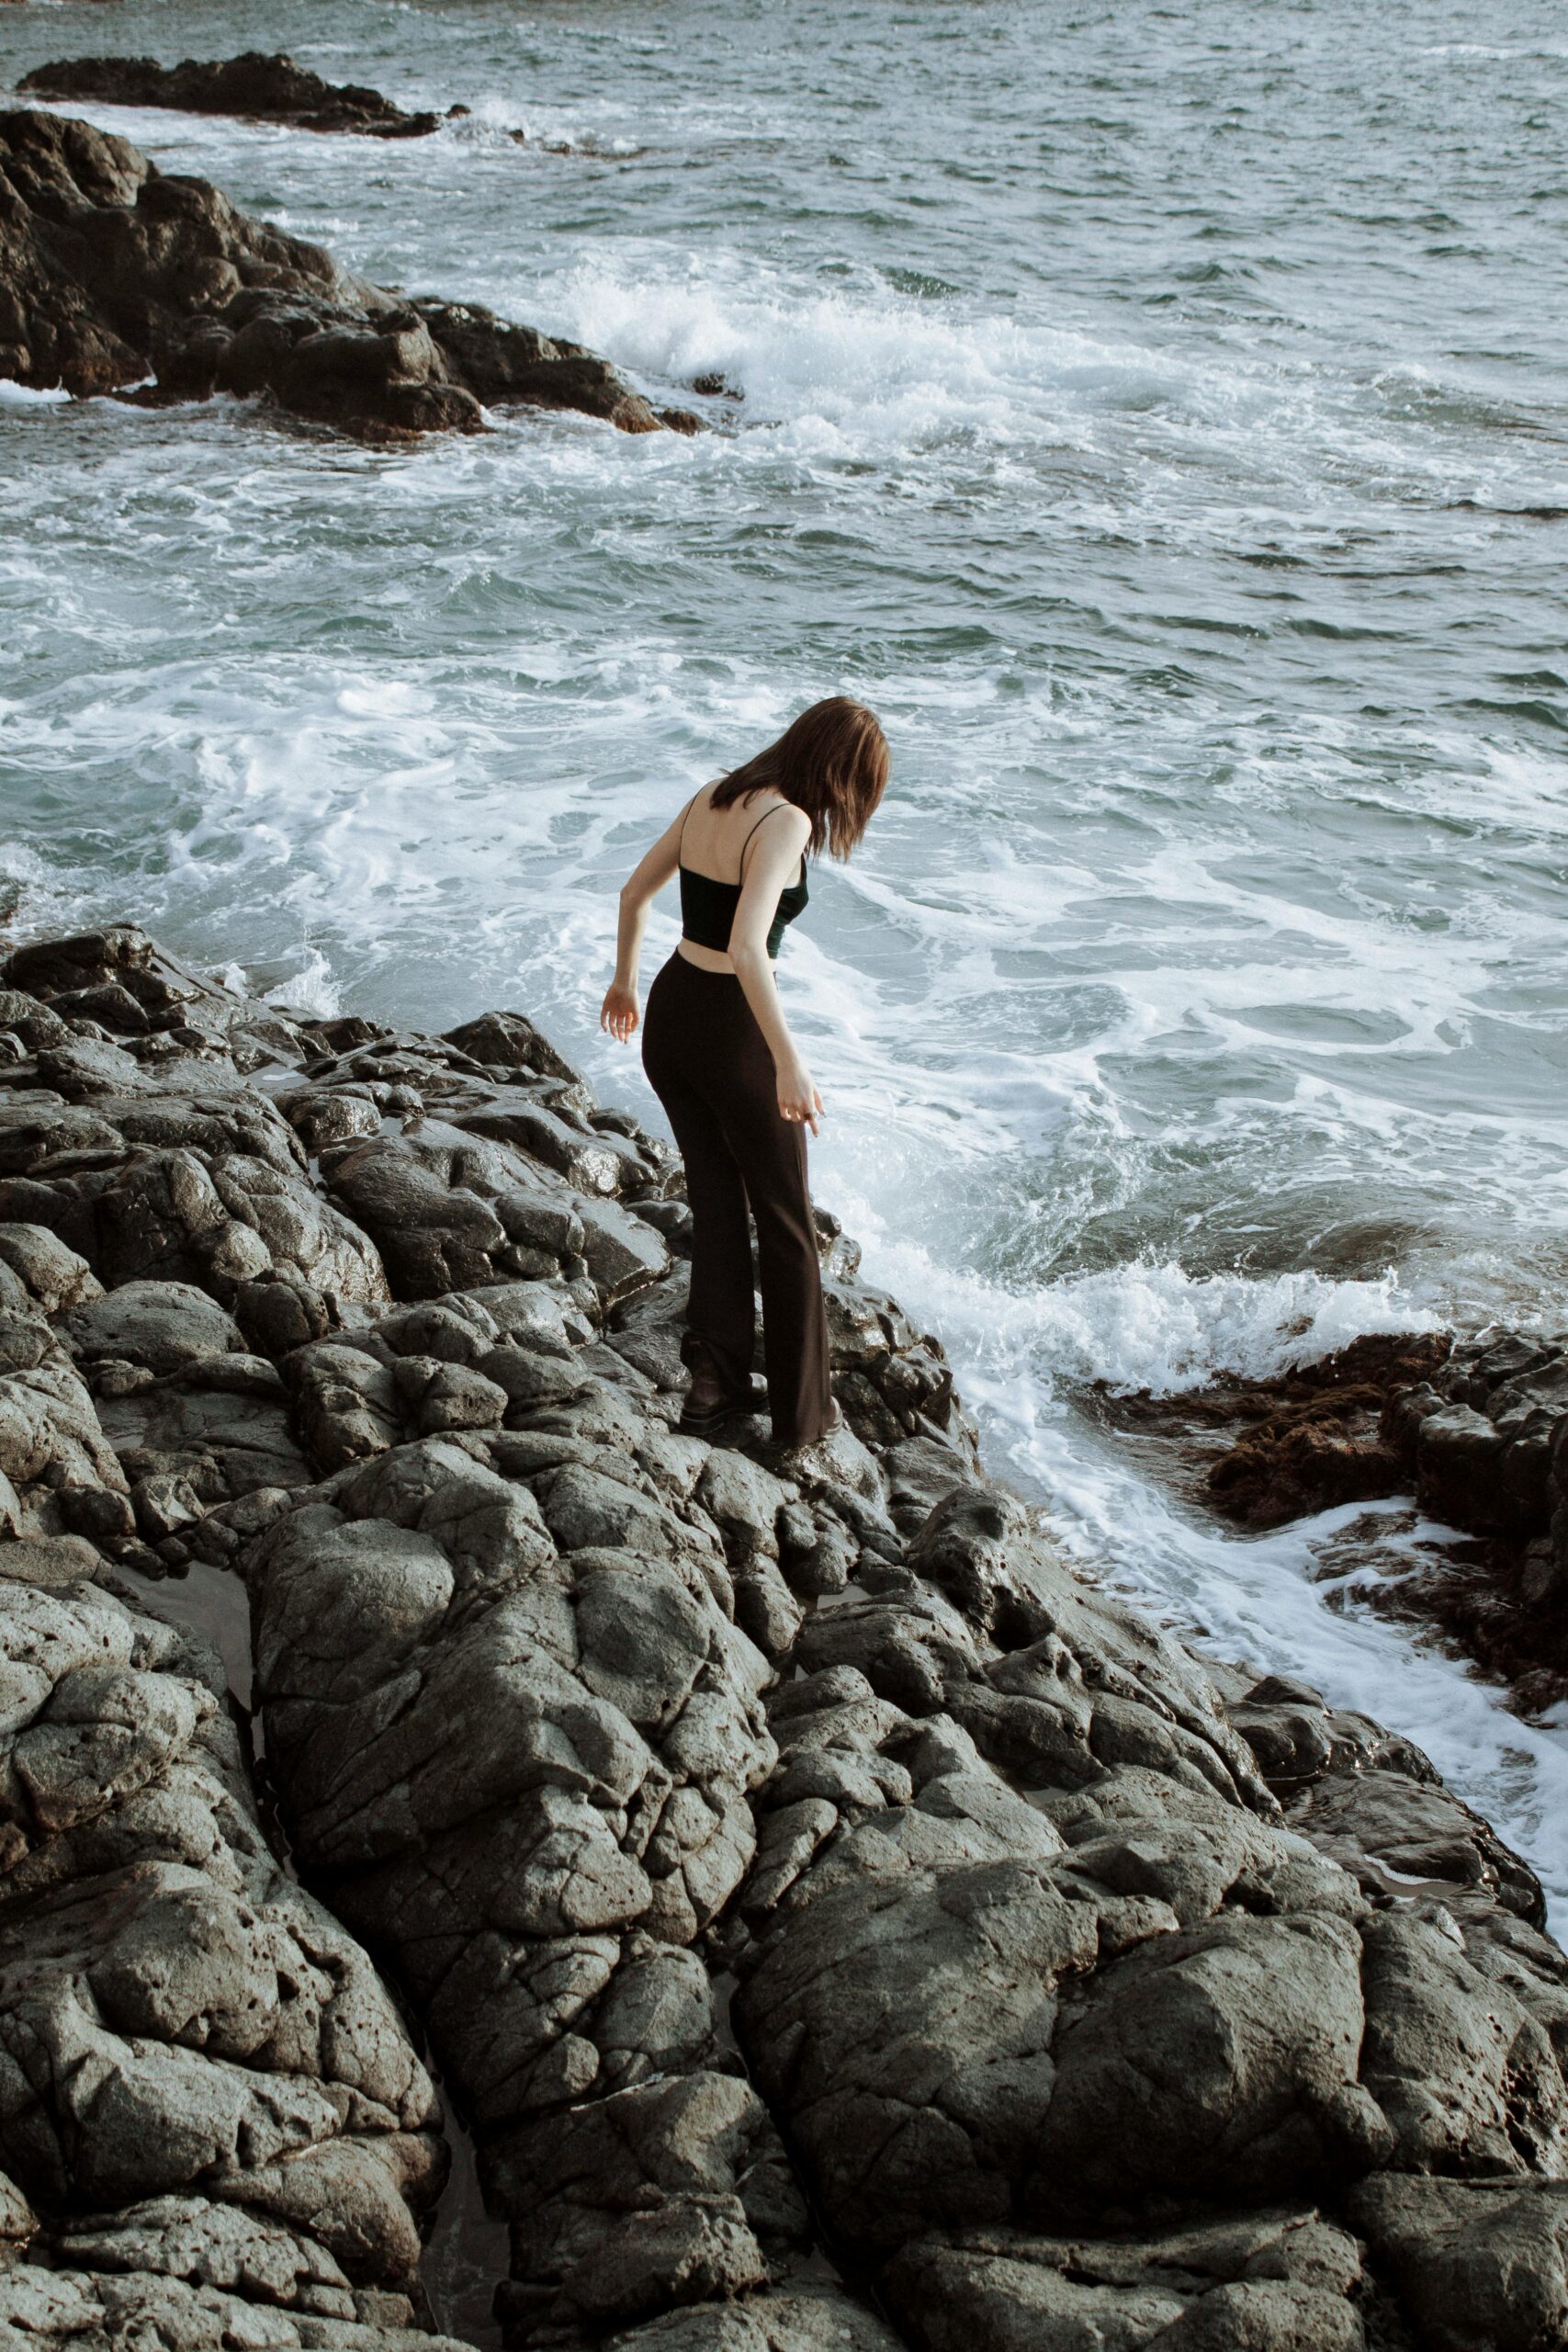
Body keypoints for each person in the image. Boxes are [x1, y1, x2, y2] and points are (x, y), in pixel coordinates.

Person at [600, 696, 889, 1446]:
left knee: (719, 1207)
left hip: (670, 1015)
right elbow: (745, 949)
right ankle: (801, 1421)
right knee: (788, 1223)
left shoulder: (715, 793)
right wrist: (788, 1063)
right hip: (731, 1032)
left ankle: (714, 1389)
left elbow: (634, 892)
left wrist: (625, 983)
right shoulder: (786, 819)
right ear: (840, 770)